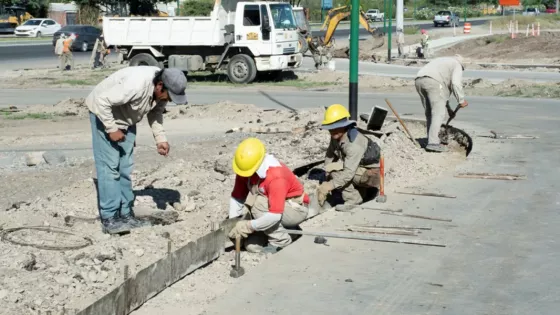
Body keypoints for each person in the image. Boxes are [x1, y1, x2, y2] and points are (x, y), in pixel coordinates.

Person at [86, 67, 188, 234]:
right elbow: (101, 100)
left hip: (126, 117)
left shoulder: (161, 89)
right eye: (169, 96)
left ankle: (126, 214)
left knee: (125, 168)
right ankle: (110, 219)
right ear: (160, 86)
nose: (168, 100)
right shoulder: (135, 86)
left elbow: (155, 112)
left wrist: (160, 138)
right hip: (104, 114)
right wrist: (111, 128)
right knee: (110, 168)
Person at [227, 137, 311, 254]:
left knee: (257, 202)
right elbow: (237, 198)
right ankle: (290, 232)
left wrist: (247, 226)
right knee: (251, 246)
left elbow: (274, 216)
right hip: (275, 210)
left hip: (295, 209)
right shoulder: (246, 169)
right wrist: (233, 223)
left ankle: (280, 241)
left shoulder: (276, 176)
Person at [316, 104, 382, 207]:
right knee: (331, 171)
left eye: (335, 128)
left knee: (337, 173)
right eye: (330, 128)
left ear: (344, 126)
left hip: (372, 175)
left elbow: (348, 174)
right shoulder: (336, 136)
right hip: (360, 169)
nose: (332, 131)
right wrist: (325, 172)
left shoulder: (354, 144)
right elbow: (330, 154)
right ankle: (362, 192)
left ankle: (353, 200)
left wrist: (329, 185)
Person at [415, 55, 468, 153]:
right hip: (433, 82)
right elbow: (455, 83)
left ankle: (430, 139)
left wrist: (448, 109)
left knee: (430, 113)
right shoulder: (457, 65)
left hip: (419, 80)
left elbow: (442, 95)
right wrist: (461, 100)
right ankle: (433, 143)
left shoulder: (443, 61)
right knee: (438, 114)